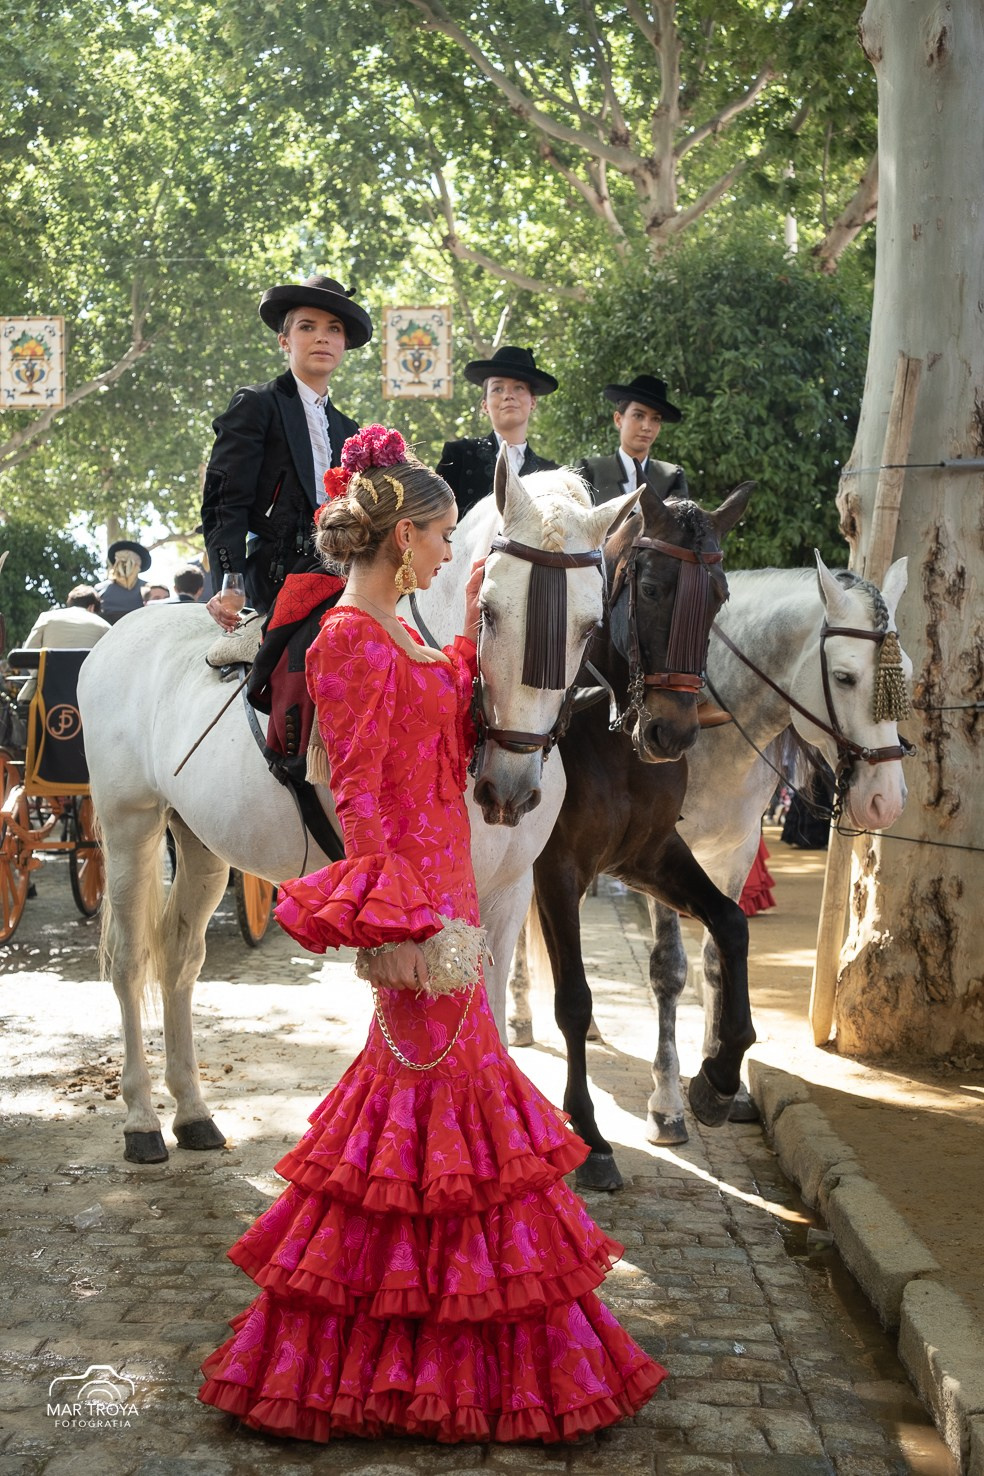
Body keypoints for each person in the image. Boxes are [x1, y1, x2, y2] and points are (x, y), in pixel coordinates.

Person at [198, 424, 666, 1444]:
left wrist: (479, 624)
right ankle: (418, 1359)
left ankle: (431, 1343)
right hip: (420, 910)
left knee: (434, 1128)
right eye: (445, 534)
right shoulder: (347, 641)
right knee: (431, 1124)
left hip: (455, 891)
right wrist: (397, 927)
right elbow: (360, 797)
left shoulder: (409, 635)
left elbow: (464, 707)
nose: (454, 548)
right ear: (403, 537)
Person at [201, 273, 372, 626]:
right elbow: (224, 500)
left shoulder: (349, 430)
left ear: (344, 345)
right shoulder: (256, 404)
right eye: (307, 327)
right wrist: (229, 580)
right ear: (284, 340)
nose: (323, 337)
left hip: (346, 580)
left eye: (334, 329)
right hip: (275, 579)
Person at [436, 345, 559, 519]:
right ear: (485, 405)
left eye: (518, 388)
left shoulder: (552, 474)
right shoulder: (458, 457)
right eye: (498, 389)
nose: (508, 395)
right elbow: (432, 522)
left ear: (533, 402)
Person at [577, 373, 688, 504]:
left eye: (655, 419)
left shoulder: (671, 477)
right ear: (618, 419)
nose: (647, 427)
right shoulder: (591, 471)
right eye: (638, 416)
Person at [17, 586, 110, 706]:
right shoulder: (105, 627)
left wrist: (43, 674)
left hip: (43, 695)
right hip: (88, 700)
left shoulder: (47, 617)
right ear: (92, 607)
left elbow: (28, 653)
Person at [95, 540, 152, 623]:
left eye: (130, 561)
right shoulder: (99, 589)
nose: (124, 564)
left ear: (139, 564)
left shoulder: (149, 589)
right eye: (120, 560)